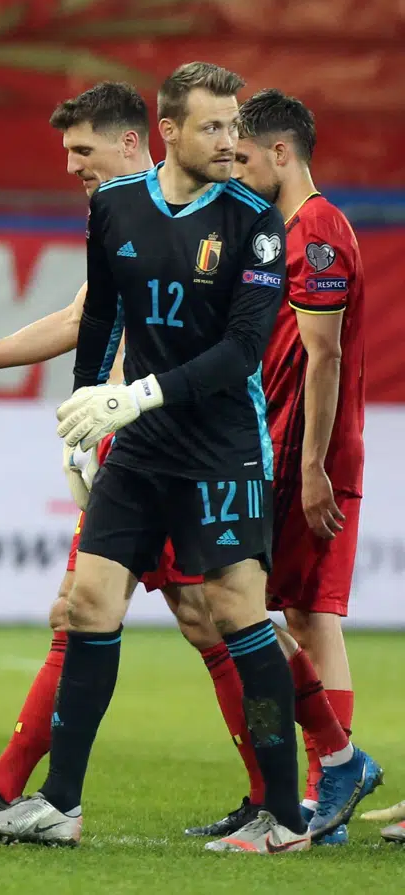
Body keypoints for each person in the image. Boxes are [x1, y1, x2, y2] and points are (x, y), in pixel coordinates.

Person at [0, 83, 266, 837]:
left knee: (219, 621)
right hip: (135, 448)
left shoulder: (218, 220)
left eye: (82, 152)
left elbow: (107, 325)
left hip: (193, 449)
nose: (71, 168)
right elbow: (86, 320)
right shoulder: (128, 215)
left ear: (137, 142)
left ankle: (313, 767)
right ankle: (15, 783)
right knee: (89, 610)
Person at [234, 89, 382, 840]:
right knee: (282, 612)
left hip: (308, 454)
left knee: (295, 614)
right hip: (282, 447)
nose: (239, 167)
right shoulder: (282, 229)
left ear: (282, 153)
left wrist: (316, 466)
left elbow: (323, 357)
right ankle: (317, 780)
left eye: (248, 155)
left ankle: (330, 774)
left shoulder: (317, 229)